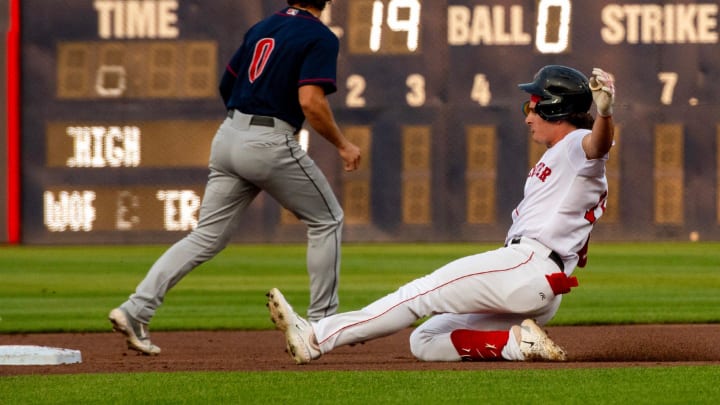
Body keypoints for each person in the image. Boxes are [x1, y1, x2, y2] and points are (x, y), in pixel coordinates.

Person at [267, 65, 616, 364]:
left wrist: (604, 113)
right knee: (426, 340)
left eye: (533, 105)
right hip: (538, 283)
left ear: (556, 110)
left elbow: (597, 146)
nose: (527, 116)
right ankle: (517, 344)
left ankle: (315, 338)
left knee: (419, 294)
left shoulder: (576, 143)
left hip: (528, 265)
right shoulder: (562, 155)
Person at [109, 0, 361, 355]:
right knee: (327, 220)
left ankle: (137, 309)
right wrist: (343, 143)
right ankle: (320, 326)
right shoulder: (319, 36)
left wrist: (244, 123)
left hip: (229, 134)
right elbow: (311, 102)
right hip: (269, 138)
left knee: (204, 238)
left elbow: (227, 84)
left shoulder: (261, 28)